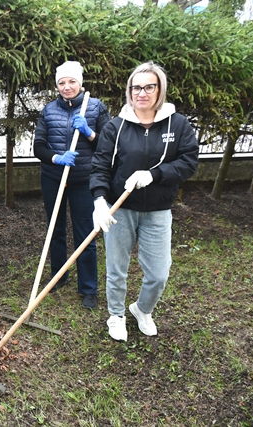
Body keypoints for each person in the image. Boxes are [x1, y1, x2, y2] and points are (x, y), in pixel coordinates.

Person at [90, 61, 199, 341]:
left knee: (159, 274)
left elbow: (188, 162)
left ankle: (142, 309)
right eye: (136, 87)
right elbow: (100, 166)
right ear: (129, 91)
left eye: (149, 87)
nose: (142, 93)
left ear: (160, 90)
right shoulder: (116, 127)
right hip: (120, 209)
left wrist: (154, 174)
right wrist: (99, 200)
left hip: (158, 210)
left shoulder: (177, 124)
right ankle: (116, 315)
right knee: (117, 269)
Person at [33, 61, 111, 309]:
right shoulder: (48, 110)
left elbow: (109, 146)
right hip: (53, 178)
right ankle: (59, 276)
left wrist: (89, 133)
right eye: (62, 82)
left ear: (80, 83)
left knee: (85, 233)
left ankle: (88, 288)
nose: (66, 87)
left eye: (71, 81)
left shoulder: (95, 108)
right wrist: (57, 158)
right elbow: (38, 147)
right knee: (55, 228)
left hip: (83, 180)